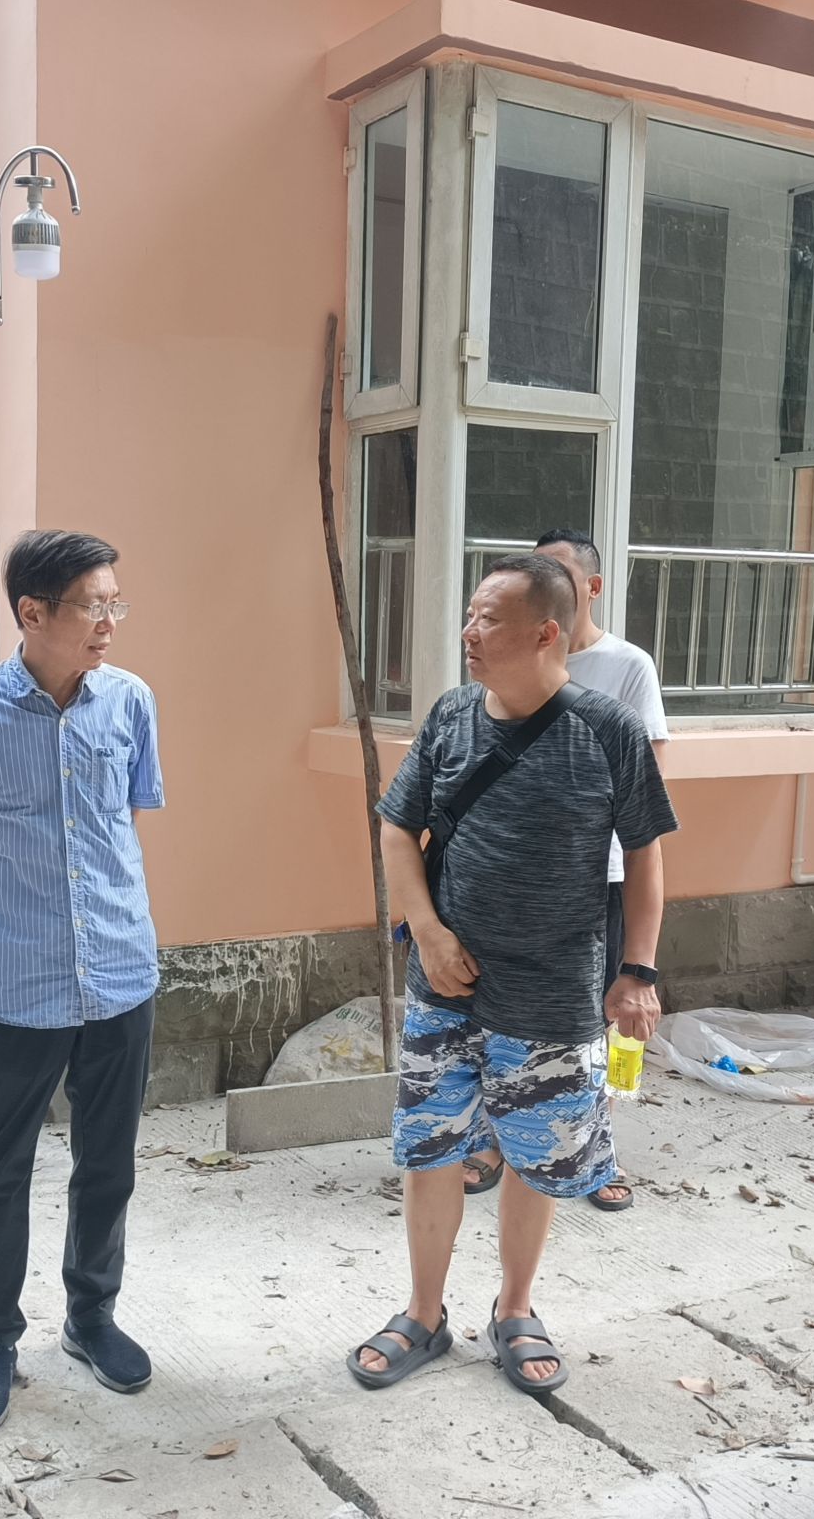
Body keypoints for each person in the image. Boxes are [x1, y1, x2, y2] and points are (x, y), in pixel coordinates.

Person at [347, 554, 676, 1394]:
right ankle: (423, 1313)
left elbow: (645, 856)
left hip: (554, 994)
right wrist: (426, 932)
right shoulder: (452, 716)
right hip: (445, 990)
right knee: (431, 1150)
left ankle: (516, 1308)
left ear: (545, 633)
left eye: (488, 619)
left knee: (539, 1161)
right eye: (470, 614)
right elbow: (397, 828)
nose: (469, 632)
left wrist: (638, 970)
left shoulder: (607, 730)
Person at [0, 529, 163, 1437]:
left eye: (114, 603)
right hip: (17, 982)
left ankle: (92, 1317)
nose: (109, 621)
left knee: (108, 1163)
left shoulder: (129, 700)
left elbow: (123, 822)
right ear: (32, 612)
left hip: (121, 973)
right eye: (93, 605)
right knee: (0, 1170)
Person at [456, 528, 670, 1214]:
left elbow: (646, 787)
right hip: (508, 881)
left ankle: (595, 1150)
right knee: (496, 1014)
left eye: (556, 574)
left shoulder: (627, 666)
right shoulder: (494, 671)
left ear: (591, 589)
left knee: (595, 1019)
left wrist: (643, 964)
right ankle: (496, 1140)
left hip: (596, 876)